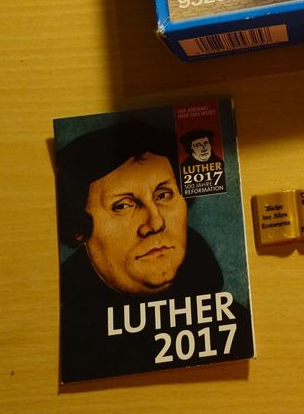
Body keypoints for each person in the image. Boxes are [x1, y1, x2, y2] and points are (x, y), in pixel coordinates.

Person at [54, 121, 251, 382]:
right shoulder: (69, 342)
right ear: (79, 227)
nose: (156, 222)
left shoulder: (233, 326)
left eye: (163, 195)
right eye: (123, 206)